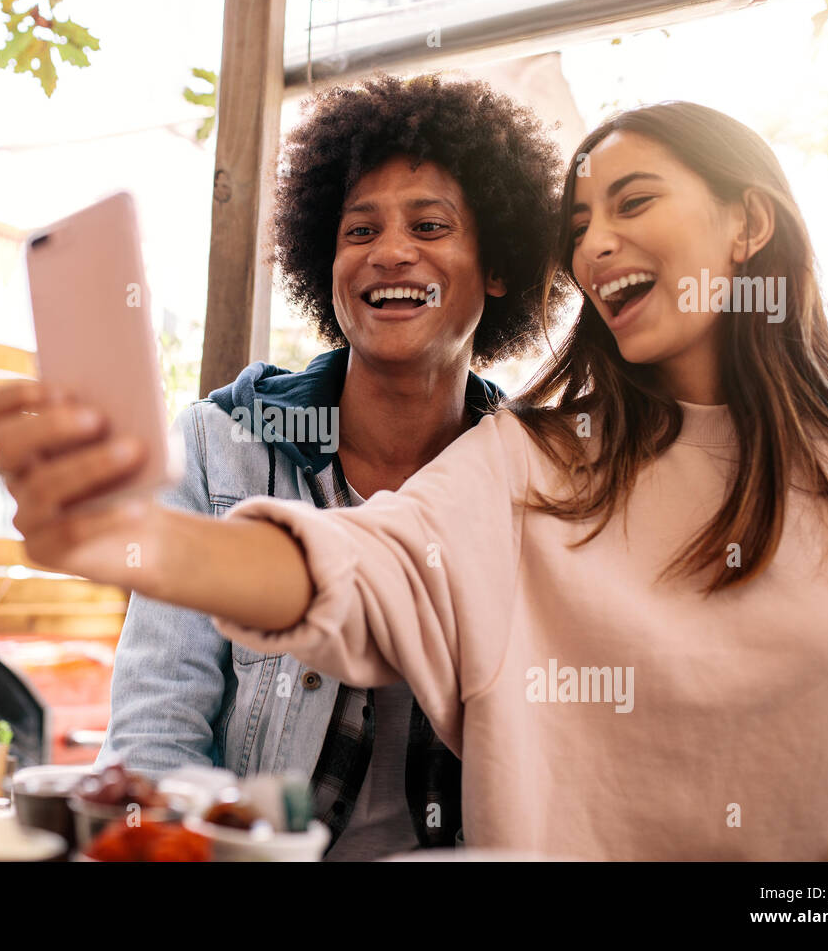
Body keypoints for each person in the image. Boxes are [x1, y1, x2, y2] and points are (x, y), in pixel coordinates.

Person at [0, 101, 828, 860]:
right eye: (580, 225)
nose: (596, 245)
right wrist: (140, 540)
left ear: (749, 223)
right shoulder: (535, 463)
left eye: (634, 203)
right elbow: (362, 570)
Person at [97, 73, 566, 860]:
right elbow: (156, 730)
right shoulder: (219, 448)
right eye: (359, 231)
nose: (389, 253)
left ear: (498, 265)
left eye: (430, 225)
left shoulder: (541, 482)